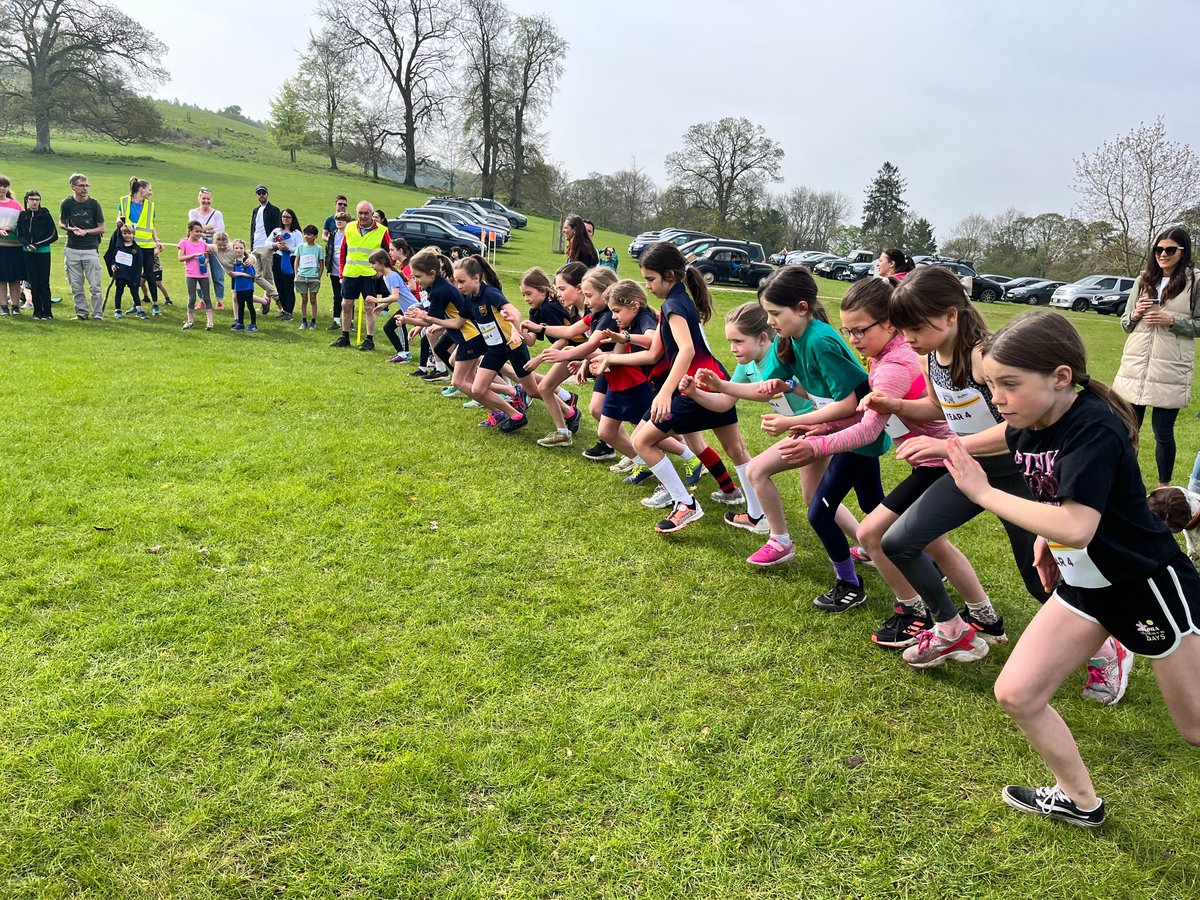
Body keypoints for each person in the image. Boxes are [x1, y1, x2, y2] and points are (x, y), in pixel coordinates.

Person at [942, 309, 1200, 828]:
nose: (997, 399)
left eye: (1009, 385)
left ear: (1061, 378)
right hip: (1085, 583)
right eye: (992, 385)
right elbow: (1023, 459)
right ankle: (1079, 800)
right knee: (1018, 693)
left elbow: (1079, 524)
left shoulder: (1093, 428)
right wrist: (1044, 533)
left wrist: (983, 492)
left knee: (1196, 728)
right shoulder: (1031, 421)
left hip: (1146, 585)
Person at [869, 266, 1053, 670]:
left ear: (950, 315)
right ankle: (953, 630)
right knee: (899, 541)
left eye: (915, 327)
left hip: (1015, 476)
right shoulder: (930, 356)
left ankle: (1109, 650)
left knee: (1041, 579)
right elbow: (939, 407)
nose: (909, 338)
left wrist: (947, 445)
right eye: (903, 329)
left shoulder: (985, 358)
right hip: (968, 471)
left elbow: (1016, 427)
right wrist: (895, 405)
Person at [723, 268, 884, 613]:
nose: (770, 322)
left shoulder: (819, 340)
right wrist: (777, 386)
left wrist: (792, 421)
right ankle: (923, 561)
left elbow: (851, 400)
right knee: (874, 507)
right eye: (767, 314)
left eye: (775, 314)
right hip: (841, 433)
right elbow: (787, 383)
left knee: (822, 511)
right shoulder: (795, 338)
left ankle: (850, 583)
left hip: (855, 435)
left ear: (801, 307)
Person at [595, 242, 749, 533]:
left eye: (651, 279)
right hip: (713, 380)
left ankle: (685, 503)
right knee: (734, 448)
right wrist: (611, 357)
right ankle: (753, 508)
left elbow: (687, 350)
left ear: (669, 275)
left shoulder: (673, 305)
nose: (648, 286)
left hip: (694, 386)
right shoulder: (678, 301)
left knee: (642, 441)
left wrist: (665, 392)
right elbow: (654, 354)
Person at [1113, 227, 1200, 489]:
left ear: (1183, 252)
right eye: (1158, 249)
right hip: (1135, 365)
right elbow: (1125, 324)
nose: (1163, 254)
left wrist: (1172, 320)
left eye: (1170, 249)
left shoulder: (1196, 281)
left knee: (1163, 432)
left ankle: (1165, 490)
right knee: (1128, 430)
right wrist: (1137, 313)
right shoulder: (1143, 279)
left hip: (1170, 367)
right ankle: (1124, 483)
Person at [332, 201, 391, 350]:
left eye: (366, 213)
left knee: (369, 306)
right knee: (346, 304)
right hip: (350, 272)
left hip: (369, 275)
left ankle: (369, 339)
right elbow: (343, 251)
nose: (363, 216)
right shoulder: (350, 227)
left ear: (372, 214)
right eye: (360, 213)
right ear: (356, 213)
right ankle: (344, 336)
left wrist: (382, 270)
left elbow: (389, 253)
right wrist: (341, 272)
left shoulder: (382, 230)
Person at [59, 174, 105, 321]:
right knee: (76, 285)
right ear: (73, 187)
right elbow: (61, 223)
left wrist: (86, 232)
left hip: (90, 249)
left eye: (87, 186)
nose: (85, 189)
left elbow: (101, 228)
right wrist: (71, 229)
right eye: (81, 186)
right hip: (72, 249)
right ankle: (81, 313)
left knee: (95, 286)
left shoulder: (94, 205)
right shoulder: (66, 203)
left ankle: (98, 314)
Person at [116, 178, 161, 315]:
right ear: (141, 189)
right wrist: (118, 221)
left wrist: (157, 240)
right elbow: (119, 217)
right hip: (130, 245)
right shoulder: (124, 201)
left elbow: (151, 225)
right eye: (149, 189)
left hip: (147, 245)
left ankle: (155, 305)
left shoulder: (150, 205)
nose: (151, 193)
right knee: (132, 276)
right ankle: (137, 305)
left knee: (150, 274)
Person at [15, 188, 58, 320]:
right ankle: (37, 311)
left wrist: (37, 244)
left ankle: (48, 312)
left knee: (44, 282)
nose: (35, 202)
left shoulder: (45, 214)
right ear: (27, 201)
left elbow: (53, 234)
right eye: (32, 199)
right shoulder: (23, 215)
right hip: (28, 252)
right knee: (33, 281)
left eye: (37, 200)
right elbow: (19, 233)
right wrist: (27, 244)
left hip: (43, 252)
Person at [188, 188, 226, 308]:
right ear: (199, 199)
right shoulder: (193, 212)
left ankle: (219, 300)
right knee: (200, 271)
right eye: (203, 198)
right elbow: (192, 228)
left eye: (208, 198)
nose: (206, 201)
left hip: (214, 244)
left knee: (217, 272)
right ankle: (202, 300)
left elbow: (221, 229)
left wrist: (201, 229)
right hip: (198, 244)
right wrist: (209, 227)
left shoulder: (217, 213)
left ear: (211, 200)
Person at [249, 184, 281, 310]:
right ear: (256, 195)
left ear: (267, 194)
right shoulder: (255, 210)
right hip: (256, 246)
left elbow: (277, 229)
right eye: (259, 193)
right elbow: (253, 228)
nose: (261, 195)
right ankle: (275, 297)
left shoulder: (274, 210)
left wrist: (274, 245)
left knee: (267, 275)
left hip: (267, 246)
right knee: (255, 275)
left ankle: (266, 302)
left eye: (263, 193)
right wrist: (251, 245)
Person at [178, 220, 214, 331]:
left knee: (206, 297)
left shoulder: (203, 244)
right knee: (192, 297)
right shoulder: (184, 243)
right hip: (191, 274)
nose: (198, 234)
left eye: (200, 231)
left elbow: (207, 256)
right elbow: (180, 258)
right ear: (190, 231)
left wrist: (206, 261)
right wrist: (194, 255)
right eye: (196, 231)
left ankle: (210, 322)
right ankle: (190, 320)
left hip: (203, 274)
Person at [104, 224, 143, 319]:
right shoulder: (118, 247)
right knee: (119, 291)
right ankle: (118, 310)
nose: (127, 235)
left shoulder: (136, 249)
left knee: (134, 292)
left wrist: (137, 278)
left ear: (133, 235)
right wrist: (113, 265)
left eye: (129, 233)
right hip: (121, 274)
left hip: (132, 275)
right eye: (125, 233)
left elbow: (139, 264)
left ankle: (139, 310)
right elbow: (113, 258)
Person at [270, 208, 302, 322]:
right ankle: (283, 310)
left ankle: (289, 311)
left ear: (292, 219)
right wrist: (276, 245)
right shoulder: (277, 231)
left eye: (288, 217)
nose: (285, 219)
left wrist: (288, 248)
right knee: (279, 286)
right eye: (283, 217)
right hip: (278, 258)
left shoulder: (296, 233)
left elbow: (300, 248)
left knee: (288, 286)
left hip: (290, 259)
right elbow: (267, 243)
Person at [0, 175, 22, 315]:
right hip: (0, 245)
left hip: (15, 246)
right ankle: (3, 307)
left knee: (15, 278)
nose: (2, 188)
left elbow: (24, 224)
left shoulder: (16, 205)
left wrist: (13, 228)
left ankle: (15, 306)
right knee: (1, 278)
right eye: (0, 185)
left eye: (5, 186)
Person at [294, 224, 323, 330]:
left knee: (313, 299)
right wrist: (296, 274)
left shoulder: (318, 249)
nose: (306, 236)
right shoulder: (300, 247)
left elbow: (321, 263)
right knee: (304, 298)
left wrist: (319, 276)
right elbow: (296, 260)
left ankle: (313, 321)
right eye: (305, 234)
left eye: (309, 234)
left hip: (313, 277)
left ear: (315, 236)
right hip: (301, 276)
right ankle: (304, 320)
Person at [325, 212, 350, 330]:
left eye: (342, 219)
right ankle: (336, 320)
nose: (339, 221)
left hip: (347, 270)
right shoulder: (333, 234)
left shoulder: (349, 235)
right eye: (337, 219)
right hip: (334, 269)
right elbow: (328, 250)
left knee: (348, 296)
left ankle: (350, 321)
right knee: (337, 295)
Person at [229, 240, 258, 332]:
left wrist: (238, 273)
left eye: (241, 248)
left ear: (245, 249)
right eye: (236, 248)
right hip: (239, 288)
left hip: (248, 288)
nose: (238, 250)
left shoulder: (246, 261)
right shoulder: (234, 262)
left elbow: (252, 275)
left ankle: (253, 324)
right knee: (240, 305)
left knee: (250, 305)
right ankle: (240, 323)